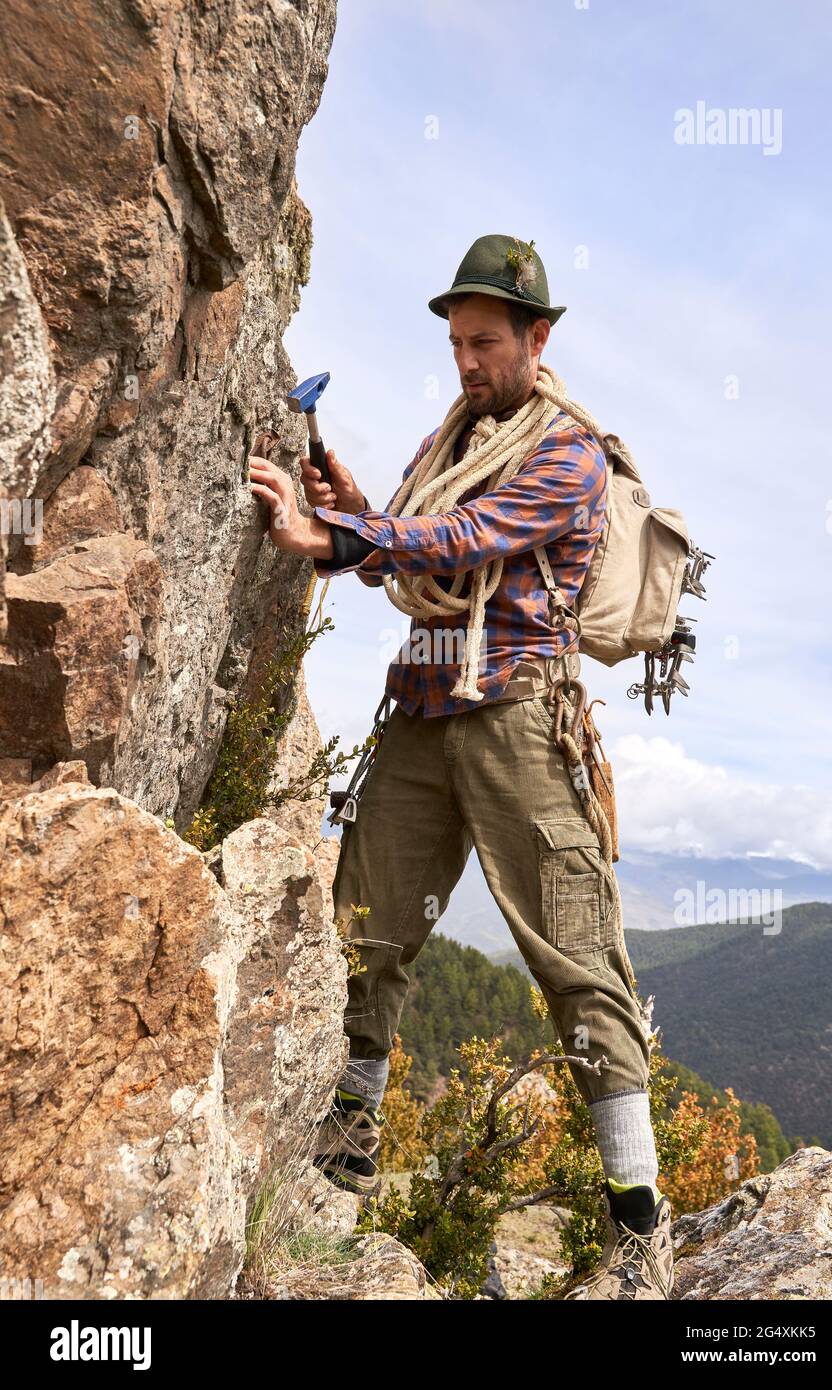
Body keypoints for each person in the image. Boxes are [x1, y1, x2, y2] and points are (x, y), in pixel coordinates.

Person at [248, 234, 674, 1299]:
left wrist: (336, 535)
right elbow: (409, 541)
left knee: (576, 958)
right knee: (365, 932)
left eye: (485, 341)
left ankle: (639, 1221)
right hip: (424, 710)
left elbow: (469, 536)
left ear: (537, 337)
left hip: (520, 721)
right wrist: (347, 505)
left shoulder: (568, 455)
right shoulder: (449, 443)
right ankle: (345, 1163)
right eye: (455, 343)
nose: (466, 361)